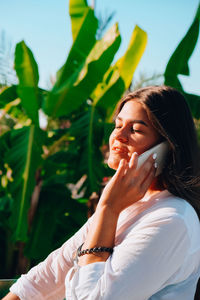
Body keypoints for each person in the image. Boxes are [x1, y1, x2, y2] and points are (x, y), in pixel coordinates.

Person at [3, 85, 200, 300]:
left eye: (135, 130)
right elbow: (53, 271)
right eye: (118, 125)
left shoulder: (171, 220)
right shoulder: (130, 205)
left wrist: (108, 208)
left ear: (166, 148)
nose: (119, 136)